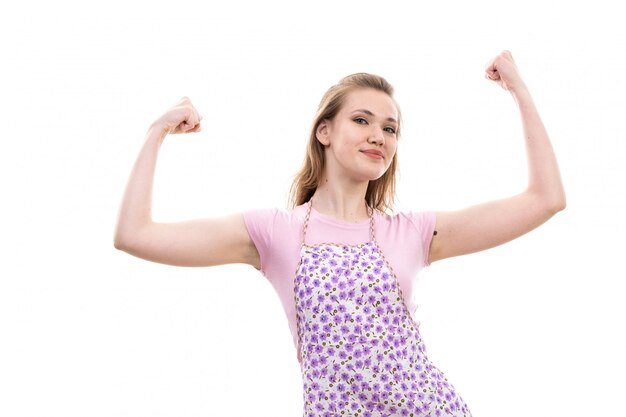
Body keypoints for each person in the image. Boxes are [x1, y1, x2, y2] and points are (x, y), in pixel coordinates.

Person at [114, 50, 565, 417]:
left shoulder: (411, 232)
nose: (379, 136)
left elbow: (545, 199)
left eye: (391, 128)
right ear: (324, 131)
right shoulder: (273, 232)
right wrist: (157, 132)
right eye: (362, 120)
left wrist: (518, 90)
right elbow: (135, 235)